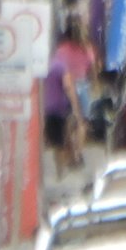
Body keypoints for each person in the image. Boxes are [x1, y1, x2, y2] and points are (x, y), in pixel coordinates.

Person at [46, 23, 95, 176]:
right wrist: (93, 83)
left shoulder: (61, 51)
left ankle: (67, 154)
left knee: (67, 124)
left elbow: (56, 70)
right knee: (82, 122)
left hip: (66, 86)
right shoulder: (86, 49)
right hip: (82, 85)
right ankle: (77, 154)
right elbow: (92, 69)